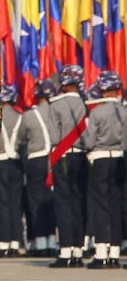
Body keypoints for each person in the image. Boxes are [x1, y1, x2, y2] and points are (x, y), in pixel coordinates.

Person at [49, 65, 90, 268]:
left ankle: (65, 252)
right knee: (79, 202)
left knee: (64, 203)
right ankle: (78, 250)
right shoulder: (86, 104)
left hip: (63, 157)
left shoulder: (56, 105)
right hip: (82, 156)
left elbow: (54, 136)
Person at [83, 71, 124, 268]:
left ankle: (101, 253)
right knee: (116, 207)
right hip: (119, 159)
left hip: (99, 159)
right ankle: (115, 252)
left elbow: (89, 140)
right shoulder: (124, 111)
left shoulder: (97, 112)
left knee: (100, 206)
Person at [21, 81, 57, 257]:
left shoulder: (29, 115)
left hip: (36, 159)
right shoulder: (56, 111)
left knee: (36, 202)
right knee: (50, 201)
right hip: (54, 159)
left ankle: (41, 243)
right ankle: (52, 240)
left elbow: (22, 136)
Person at [0, 85, 25, 258]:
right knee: (16, 203)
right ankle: (16, 242)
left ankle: (4, 243)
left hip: (1, 162)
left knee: (2, 203)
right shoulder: (20, 117)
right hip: (17, 162)